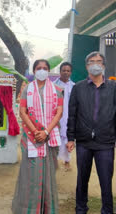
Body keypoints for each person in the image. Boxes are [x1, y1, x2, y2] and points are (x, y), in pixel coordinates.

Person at [66, 52, 116, 213]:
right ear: (87, 66)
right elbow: (72, 114)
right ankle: (81, 209)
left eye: (99, 61)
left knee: (106, 180)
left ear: (103, 65)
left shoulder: (113, 88)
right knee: (82, 179)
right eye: (92, 62)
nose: (95, 64)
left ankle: (107, 210)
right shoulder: (78, 88)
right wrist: (70, 137)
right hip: (84, 142)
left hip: (106, 142)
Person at [12, 59, 63, 213]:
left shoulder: (58, 89)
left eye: (45, 68)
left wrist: (46, 131)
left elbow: (59, 112)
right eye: (39, 68)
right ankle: (29, 208)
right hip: (31, 137)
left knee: (49, 174)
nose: (42, 70)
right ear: (34, 71)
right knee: (30, 174)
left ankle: (47, 208)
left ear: (49, 71)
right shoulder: (27, 89)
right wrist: (35, 132)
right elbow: (22, 112)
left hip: (50, 136)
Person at [54, 62, 75, 170]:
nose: (66, 72)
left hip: (68, 116)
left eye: (68, 70)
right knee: (55, 137)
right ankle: (55, 161)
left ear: (71, 72)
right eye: (64, 70)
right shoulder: (54, 85)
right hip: (56, 116)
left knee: (67, 138)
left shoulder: (74, 86)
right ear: (60, 71)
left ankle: (67, 161)